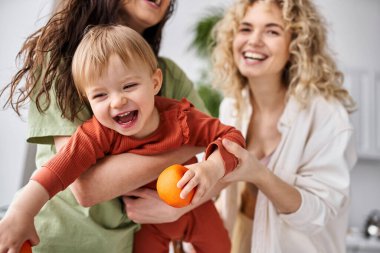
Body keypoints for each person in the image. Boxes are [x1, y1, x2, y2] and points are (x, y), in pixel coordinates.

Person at [0, 24, 244, 253]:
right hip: (143, 223)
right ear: (88, 102)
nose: (117, 101)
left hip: (195, 209)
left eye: (128, 86)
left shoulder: (182, 119)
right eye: (100, 95)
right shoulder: (98, 133)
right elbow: (59, 169)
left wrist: (211, 167)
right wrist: (23, 210)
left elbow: (232, 137)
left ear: (155, 82)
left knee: (221, 246)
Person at [211, 0, 358, 252]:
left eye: (272, 31)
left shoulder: (326, 116)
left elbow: (317, 215)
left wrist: (258, 173)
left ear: (296, 45)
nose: (254, 40)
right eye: (246, 28)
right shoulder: (232, 107)